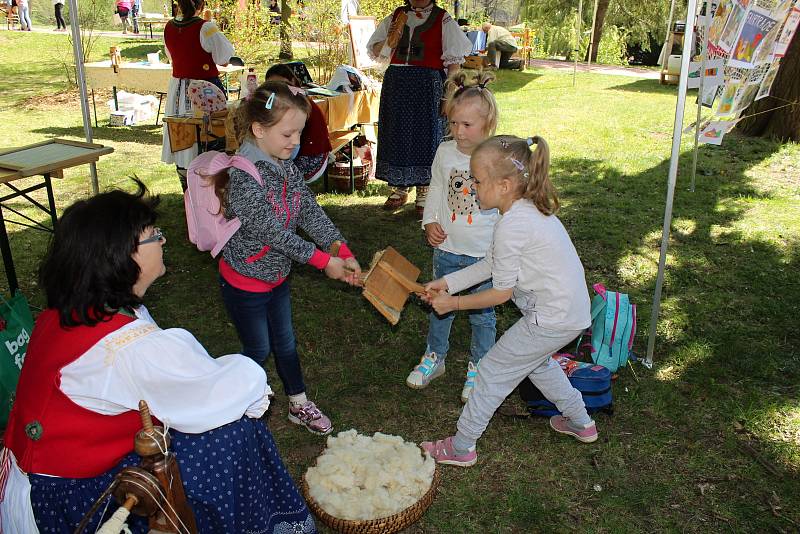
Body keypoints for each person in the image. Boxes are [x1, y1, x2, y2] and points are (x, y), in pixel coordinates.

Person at [0, 180, 317, 533]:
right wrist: (248, 377)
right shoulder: (124, 348)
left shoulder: (66, 313)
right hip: (66, 502)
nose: (163, 240)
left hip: (40, 480)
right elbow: (217, 395)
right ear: (123, 254)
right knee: (234, 435)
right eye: (154, 235)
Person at [420, 135, 598, 467]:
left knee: (490, 371)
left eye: (477, 180)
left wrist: (453, 304)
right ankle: (582, 423)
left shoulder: (513, 224)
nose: (471, 187)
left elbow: (500, 293)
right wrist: (446, 283)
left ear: (503, 185)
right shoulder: (520, 212)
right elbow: (491, 263)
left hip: (551, 318)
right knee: (538, 363)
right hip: (569, 314)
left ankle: (461, 447)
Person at [213, 81, 362, 436]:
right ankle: (235, 408)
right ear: (259, 130)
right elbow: (274, 234)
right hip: (245, 281)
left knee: (285, 342)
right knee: (258, 348)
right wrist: (324, 262)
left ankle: (298, 403)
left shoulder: (283, 165)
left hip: (276, 278)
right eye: (288, 133)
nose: (295, 142)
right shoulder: (243, 178)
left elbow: (308, 211)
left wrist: (339, 249)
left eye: (299, 132)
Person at [407, 71, 500, 403]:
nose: (458, 131)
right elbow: (434, 188)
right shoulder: (445, 152)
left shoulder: (497, 156)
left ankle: (481, 366)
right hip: (446, 248)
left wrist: (501, 246)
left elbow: (506, 205)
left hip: (484, 256)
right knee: (439, 306)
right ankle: (436, 356)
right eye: (454, 123)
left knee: (483, 314)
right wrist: (429, 222)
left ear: (487, 126)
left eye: (467, 125)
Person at [367, 0, 471, 216]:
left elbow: (454, 64)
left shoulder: (443, 19)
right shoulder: (396, 16)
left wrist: (448, 95)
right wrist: (391, 38)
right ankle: (399, 187)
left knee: (425, 134)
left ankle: (424, 189)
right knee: (398, 133)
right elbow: (377, 51)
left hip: (427, 85)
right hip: (397, 83)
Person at [160, 0, 234, 191]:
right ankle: (208, 186)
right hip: (203, 91)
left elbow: (171, 55)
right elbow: (224, 57)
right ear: (201, 4)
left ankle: (187, 185)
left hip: (178, 90)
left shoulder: (168, 27)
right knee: (209, 135)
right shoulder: (206, 27)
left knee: (182, 136)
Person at [264, 63, 332, 184]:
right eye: (272, 85)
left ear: (292, 81)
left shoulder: (294, 105)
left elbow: (292, 148)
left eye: (282, 84)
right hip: (307, 152)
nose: (278, 88)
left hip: (312, 156)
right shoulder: (291, 100)